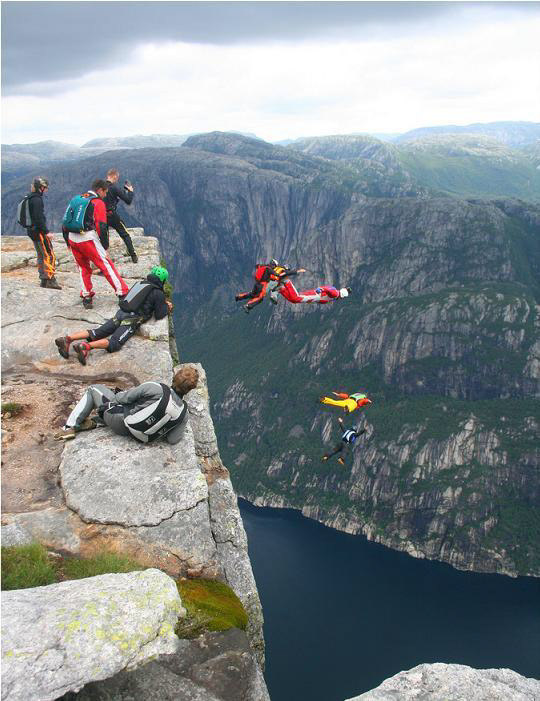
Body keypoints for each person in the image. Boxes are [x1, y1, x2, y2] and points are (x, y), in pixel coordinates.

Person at [54, 266, 171, 364]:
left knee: (97, 332)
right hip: (131, 320)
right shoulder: (158, 293)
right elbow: (160, 314)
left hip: (120, 314)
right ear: (162, 280)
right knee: (114, 343)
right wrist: (167, 307)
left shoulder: (140, 284)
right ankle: (85, 347)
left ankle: (67, 339)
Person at [53, 365, 199, 443]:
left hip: (121, 423)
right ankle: (95, 422)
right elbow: (173, 439)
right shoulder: (183, 413)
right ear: (190, 390)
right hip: (142, 436)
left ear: (174, 378)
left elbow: (125, 398)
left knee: (94, 390)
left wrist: (111, 401)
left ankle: (69, 427)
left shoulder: (156, 388)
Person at [63, 179, 129, 309]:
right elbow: (101, 226)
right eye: (105, 192)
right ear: (100, 190)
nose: (105, 195)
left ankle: (87, 296)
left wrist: (68, 242)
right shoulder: (97, 202)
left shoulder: (78, 198)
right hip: (87, 238)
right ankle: (122, 293)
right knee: (106, 264)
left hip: (72, 237)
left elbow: (65, 220)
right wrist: (104, 246)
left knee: (83, 267)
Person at [23, 177, 62, 289]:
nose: (46, 190)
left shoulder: (30, 198)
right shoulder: (37, 200)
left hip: (31, 231)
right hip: (39, 232)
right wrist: (46, 232)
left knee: (40, 254)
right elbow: (39, 218)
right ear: (41, 188)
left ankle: (43, 279)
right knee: (49, 254)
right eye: (45, 188)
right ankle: (50, 279)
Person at [235, 260, 306, 313]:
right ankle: (248, 306)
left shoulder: (272, 267)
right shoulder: (282, 270)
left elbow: (258, 266)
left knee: (252, 294)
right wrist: (298, 271)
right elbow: (287, 273)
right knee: (260, 298)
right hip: (268, 283)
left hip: (258, 283)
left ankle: (239, 296)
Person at [105, 168, 138, 263]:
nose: (117, 179)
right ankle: (133, 255)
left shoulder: (100, 187)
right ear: (115, 176)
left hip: (101, 216)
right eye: (117, 177)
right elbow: (128, 200)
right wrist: (130, 191)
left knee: (104, 237)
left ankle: (104, 260)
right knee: (124, 234)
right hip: (112, 215)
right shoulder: (114, 188)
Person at [279, 280, 351, 304]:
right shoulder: (335, 294)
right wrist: (321, 289)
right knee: (296, 298)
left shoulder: (335, 291)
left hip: (314, 297)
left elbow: (329, 289)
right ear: (341, 296)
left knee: (293, 300)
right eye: (342, 298)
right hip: (315, 295)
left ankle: (281, 289)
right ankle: (288, 282)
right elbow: (327, 289)